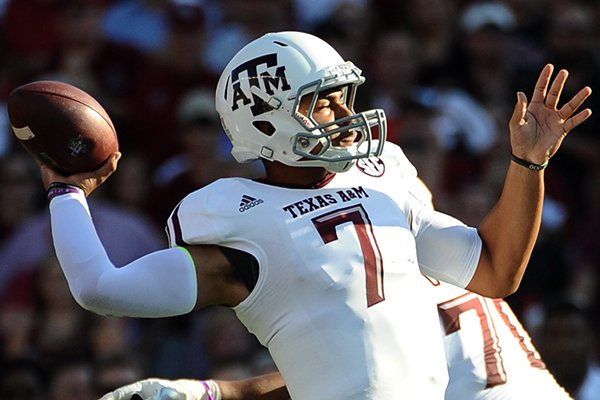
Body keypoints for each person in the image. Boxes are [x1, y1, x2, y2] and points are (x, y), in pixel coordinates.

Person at [38, 31, 591, 399]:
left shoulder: (385, 179)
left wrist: (527, 164)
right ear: (266, 120)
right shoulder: (238, 223)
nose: (347, 114)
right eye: (324, 101)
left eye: (346, 96)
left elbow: (496, 271)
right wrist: (67, 191)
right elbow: (99, 287)